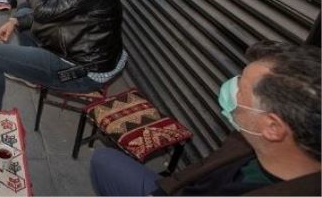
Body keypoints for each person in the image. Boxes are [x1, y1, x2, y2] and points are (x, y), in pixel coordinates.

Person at [91, 40, 321, 196]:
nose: (232, 88)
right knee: (105, 161)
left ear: (273, 127)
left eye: (241, 87)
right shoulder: (249, 142)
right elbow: (201, 170)